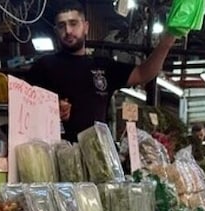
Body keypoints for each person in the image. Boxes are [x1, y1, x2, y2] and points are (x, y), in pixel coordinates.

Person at [26, 1, 175, 141]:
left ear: (86, 27)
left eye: (73, 23)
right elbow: (25, 108)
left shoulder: (104, 67)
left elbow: (144, 73)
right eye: (61, 26)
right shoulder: (43, 66)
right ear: (56, 31)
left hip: (97, 157)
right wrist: (49, 108)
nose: (68, 31)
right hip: (55, 157)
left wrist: (168, 39)